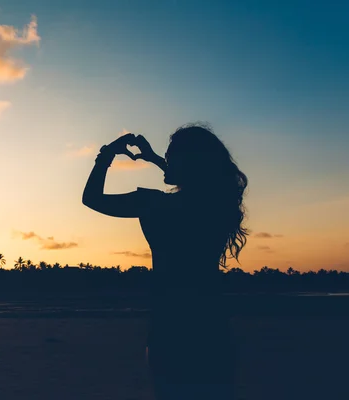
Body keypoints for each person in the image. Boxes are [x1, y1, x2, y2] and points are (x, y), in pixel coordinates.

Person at [82, 123, 248, 399]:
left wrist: (106, 155)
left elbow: (92, 198)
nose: (167, 161)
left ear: (188, 164)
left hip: (172, 328)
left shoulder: (157, 205)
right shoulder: (219, 203)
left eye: (171, 157)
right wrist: (154, 158)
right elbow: (195, 184)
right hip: (213, 327)